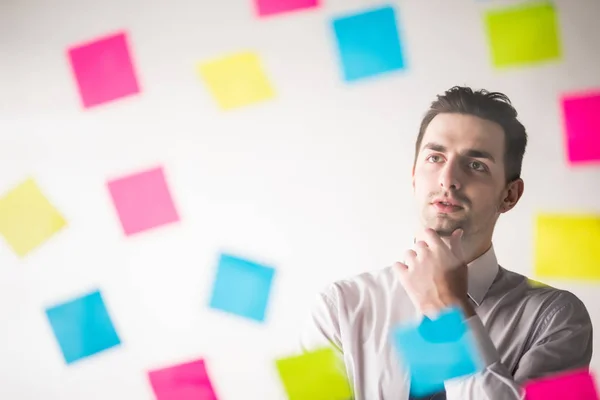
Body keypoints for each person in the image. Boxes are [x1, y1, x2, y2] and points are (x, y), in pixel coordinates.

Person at [299, 86, 593, 400]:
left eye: (476, 164)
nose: (448, 178)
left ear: (509, 195)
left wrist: (450, 314)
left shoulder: (559, 319)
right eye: (435, 157)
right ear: (414, 177)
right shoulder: (338, 307)